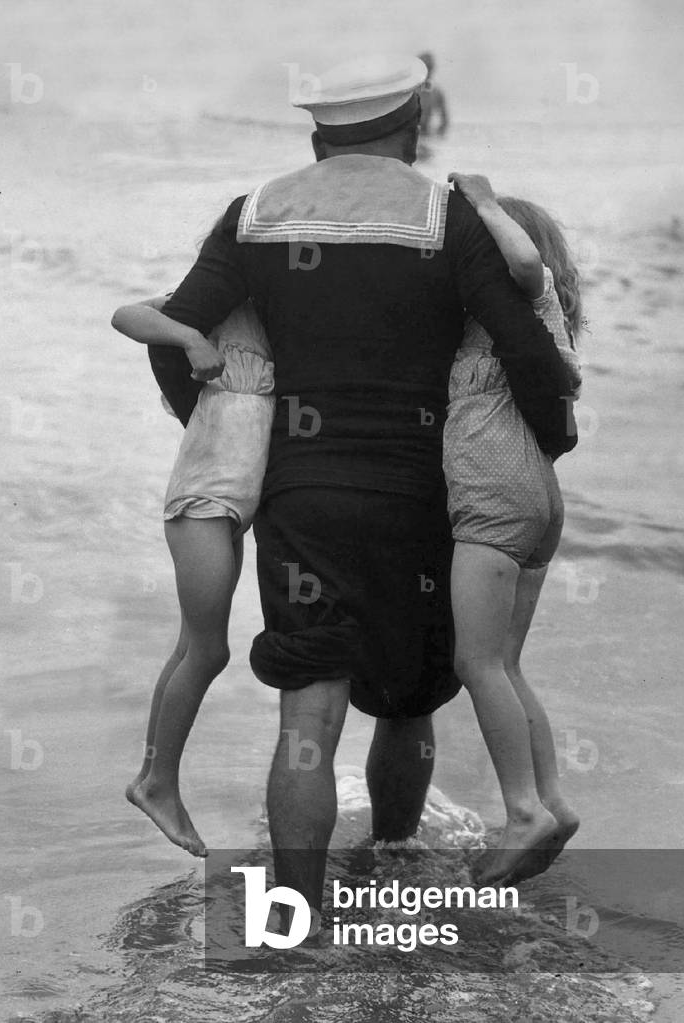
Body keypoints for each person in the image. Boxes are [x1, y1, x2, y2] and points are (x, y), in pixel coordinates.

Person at [136, 53, 576, 928]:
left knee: (313, 700)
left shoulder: (255, 215)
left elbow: (180, 326)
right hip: (424, 493)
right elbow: (526, 347)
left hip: (305, 495)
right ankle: (392, 868)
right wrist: (547, 446)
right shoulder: (449, 219)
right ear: (414, 126)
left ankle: (295, 911)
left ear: (315, 137)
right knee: (410, 698)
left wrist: (223, 428)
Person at [444, 172, 582, 882]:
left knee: (477, 663)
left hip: (495, 491)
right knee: (508, 663)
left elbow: (521, 262)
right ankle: (552, 799)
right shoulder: (537, 322)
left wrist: (484, 204)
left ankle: (522, 809)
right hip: (539, 496)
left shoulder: (522, 295)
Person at [111, 296, 274, 857]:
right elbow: (127, 315)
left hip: (232, 508)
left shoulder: (288, 317)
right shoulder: (220, 308)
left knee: (190, 646)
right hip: (200, 502)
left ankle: (150, 778)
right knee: (207, 651)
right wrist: (190, 339)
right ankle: (157, 784)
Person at [418, 52, 448, 137]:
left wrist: (438, 134)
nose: (427, 72)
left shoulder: (437, 93)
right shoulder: (409, 91)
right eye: (425, 67)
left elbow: (445, 121)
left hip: (425, 133)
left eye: (429, 67)